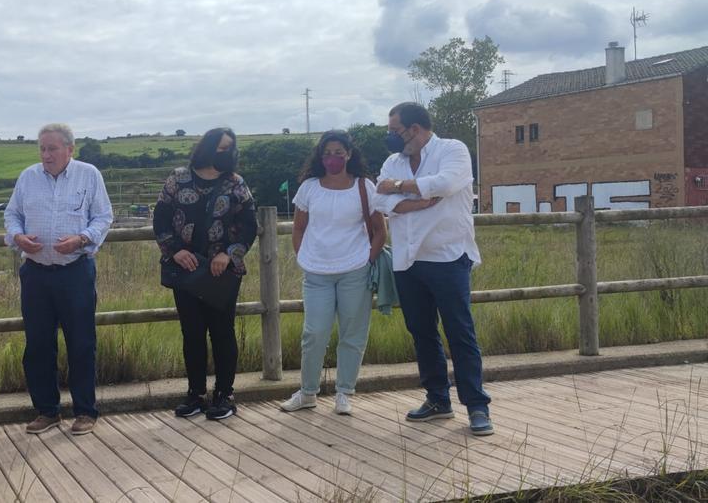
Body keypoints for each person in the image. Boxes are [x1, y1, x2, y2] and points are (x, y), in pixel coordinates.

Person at [371, 102, 493, 436]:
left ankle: (478, 407)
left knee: (460, 333)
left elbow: (446, 183)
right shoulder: (393, 162)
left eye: (395, 130)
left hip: (448, 256)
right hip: (407, 260)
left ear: (414, 129)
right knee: (422, 332)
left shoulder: (452, 149)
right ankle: (438, 399)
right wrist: (418, 200)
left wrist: (398, 189)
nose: (391, 138)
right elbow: (379, 202)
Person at [4, 123, 113, 436]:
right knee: (38, 345)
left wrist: (82, 239)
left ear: (70, 149)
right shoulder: (28, 177)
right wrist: (18, 237)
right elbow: (11, 215)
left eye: (52, 148)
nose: (46, 154)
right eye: (42, 148)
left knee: (81, 343)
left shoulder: (89, 175)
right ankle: (47, 411)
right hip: (36, 273)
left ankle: (85, 411)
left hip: (75, 271)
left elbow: (104, 216)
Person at [155, 128, 257, 420]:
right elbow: (160, 218)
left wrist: (229, 254)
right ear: (207, 148)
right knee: (192, 332)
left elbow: (249, 226)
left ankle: (225, 394)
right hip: (185, 268)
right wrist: (174, 250)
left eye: (231, 148)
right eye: (221, 148)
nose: (227, 153)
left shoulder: (236, 183)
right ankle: (196, 394)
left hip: (222, 271)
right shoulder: (177, 178)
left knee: (222, 331)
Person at [280, 130, 386, 416]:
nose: (333, 158)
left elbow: (379, 230)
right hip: (316, 273)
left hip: (355, 270)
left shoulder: (365, 186)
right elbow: (299, 227)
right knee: (314, 333)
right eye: (328, 153)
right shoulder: (309, 188)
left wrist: (367, 259)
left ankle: (344, 392)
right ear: (320, 156)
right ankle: (307, 392)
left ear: (349, 155)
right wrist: (303, 256)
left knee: (353, 334)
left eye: (339, 153)